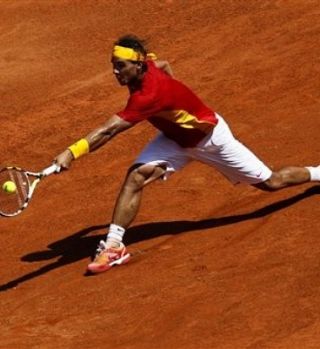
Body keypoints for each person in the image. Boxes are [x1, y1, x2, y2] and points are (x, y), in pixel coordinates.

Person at [55, 34, 320, 274]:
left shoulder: (147, 97)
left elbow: (108, 131)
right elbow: (164, 65)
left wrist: (71, 152)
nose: (115, 70)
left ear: (137, 65)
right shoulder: (148, 65)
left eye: (120, 65)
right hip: (174, 140)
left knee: (271, 182)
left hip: (212, 140)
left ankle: (317, 173)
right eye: (113, 64)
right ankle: (113, 247)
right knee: (136, 177)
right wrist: (177, 106)